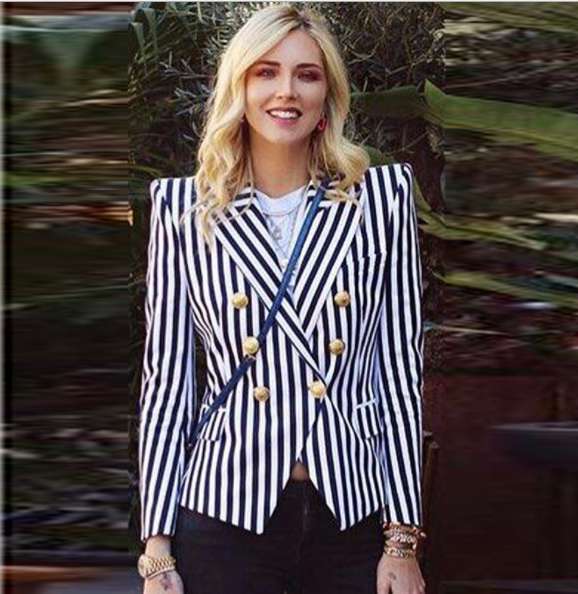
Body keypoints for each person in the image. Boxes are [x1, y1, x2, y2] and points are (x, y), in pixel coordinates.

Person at [137, 5, 426, 594]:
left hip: (351, 510)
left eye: (307, 75)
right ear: (239, 88)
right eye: (265, 72)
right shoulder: (183, 209)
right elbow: (167, 381)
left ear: (328, 95)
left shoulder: (381, 199)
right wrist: (157, 549)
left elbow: (398, 371)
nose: (286, 91)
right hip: (223, 508)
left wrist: (401, 539)